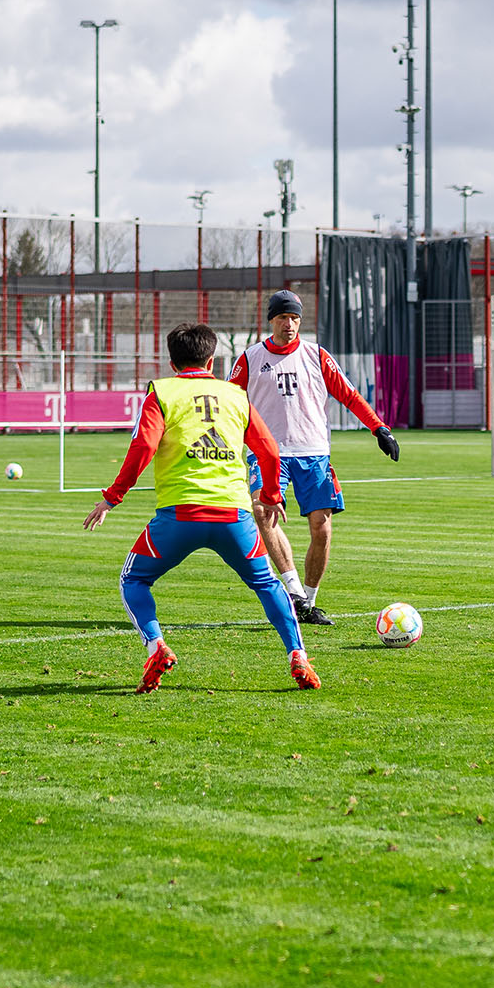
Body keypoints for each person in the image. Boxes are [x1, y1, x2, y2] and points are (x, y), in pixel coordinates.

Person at [82, 322, 319, 693]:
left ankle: (155, 645)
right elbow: (270, 450)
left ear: (172, 361)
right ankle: (298, 656)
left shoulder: (162, 392)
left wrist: (113, 497)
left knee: (134, 580)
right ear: (212, 359)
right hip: (233, 515)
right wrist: (272, 494)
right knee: (267, 585)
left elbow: (142, 448)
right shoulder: (235, 396)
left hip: (179, 516)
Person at [227, 290, 400, 626]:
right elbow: (228, 401)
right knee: (263, 512)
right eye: (282, 318)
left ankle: (309, 599)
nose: (288, 324)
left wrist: (379, 429)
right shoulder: (249, 358)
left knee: (321, 529)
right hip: (268, 454)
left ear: (300, 321)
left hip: (314, 454)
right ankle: (293, 591)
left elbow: (348, 395)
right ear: (271, 320)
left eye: (294, 318)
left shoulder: (316, 355)